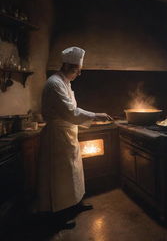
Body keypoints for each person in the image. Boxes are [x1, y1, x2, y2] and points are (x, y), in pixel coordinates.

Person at [37, 46, 110, 228]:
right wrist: (95, 115)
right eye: (78, 71)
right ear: (69, 67)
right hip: (57, 137)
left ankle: (75, 205)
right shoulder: (54, 84)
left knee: (73, 173)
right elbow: (70, 111)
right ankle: (58, 217)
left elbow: (71, 111)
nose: (79, 74)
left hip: (68, 133)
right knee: (60, 178)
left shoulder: (65, 82)